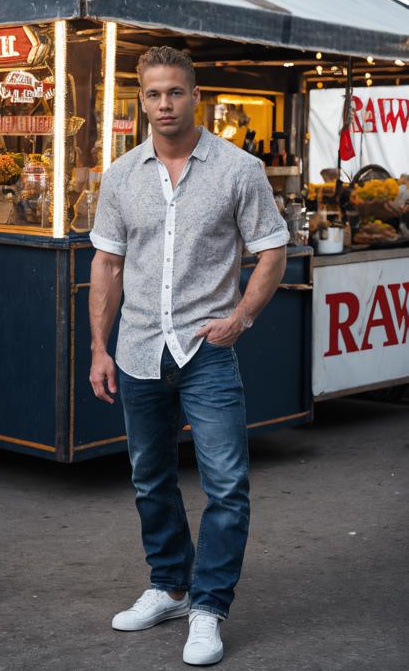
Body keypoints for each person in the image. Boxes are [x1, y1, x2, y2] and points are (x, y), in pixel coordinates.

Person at [88, 46, 289, 666]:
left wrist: (242, 317)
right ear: (140, 99)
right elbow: (108, 263)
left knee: (226, 484)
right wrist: (99, 346)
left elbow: (272, 250)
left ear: (195, 95)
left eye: (176, 92)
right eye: (153, 94)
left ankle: (208, 608)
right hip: (139, 348)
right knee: (150, 478)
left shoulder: (239, 169)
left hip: (206, 350)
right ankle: (170, 585)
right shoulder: (120, 174)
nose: (165, 104)